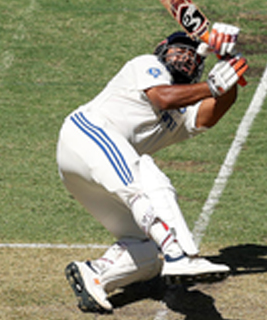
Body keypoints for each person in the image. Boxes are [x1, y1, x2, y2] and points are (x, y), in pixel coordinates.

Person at [56, 23, 249, 313]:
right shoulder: (145, 65)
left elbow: (212, 113)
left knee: (146, 249)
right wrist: (211, 86)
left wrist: (227, 64)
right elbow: (163, 97)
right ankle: (178, 255)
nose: (184, 57)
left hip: (88, 179)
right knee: (144, 172)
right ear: (162, 49)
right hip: (85, 134)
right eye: (178, 50)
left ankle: (95, 275)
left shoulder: (183, 114)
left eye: (191, 56)